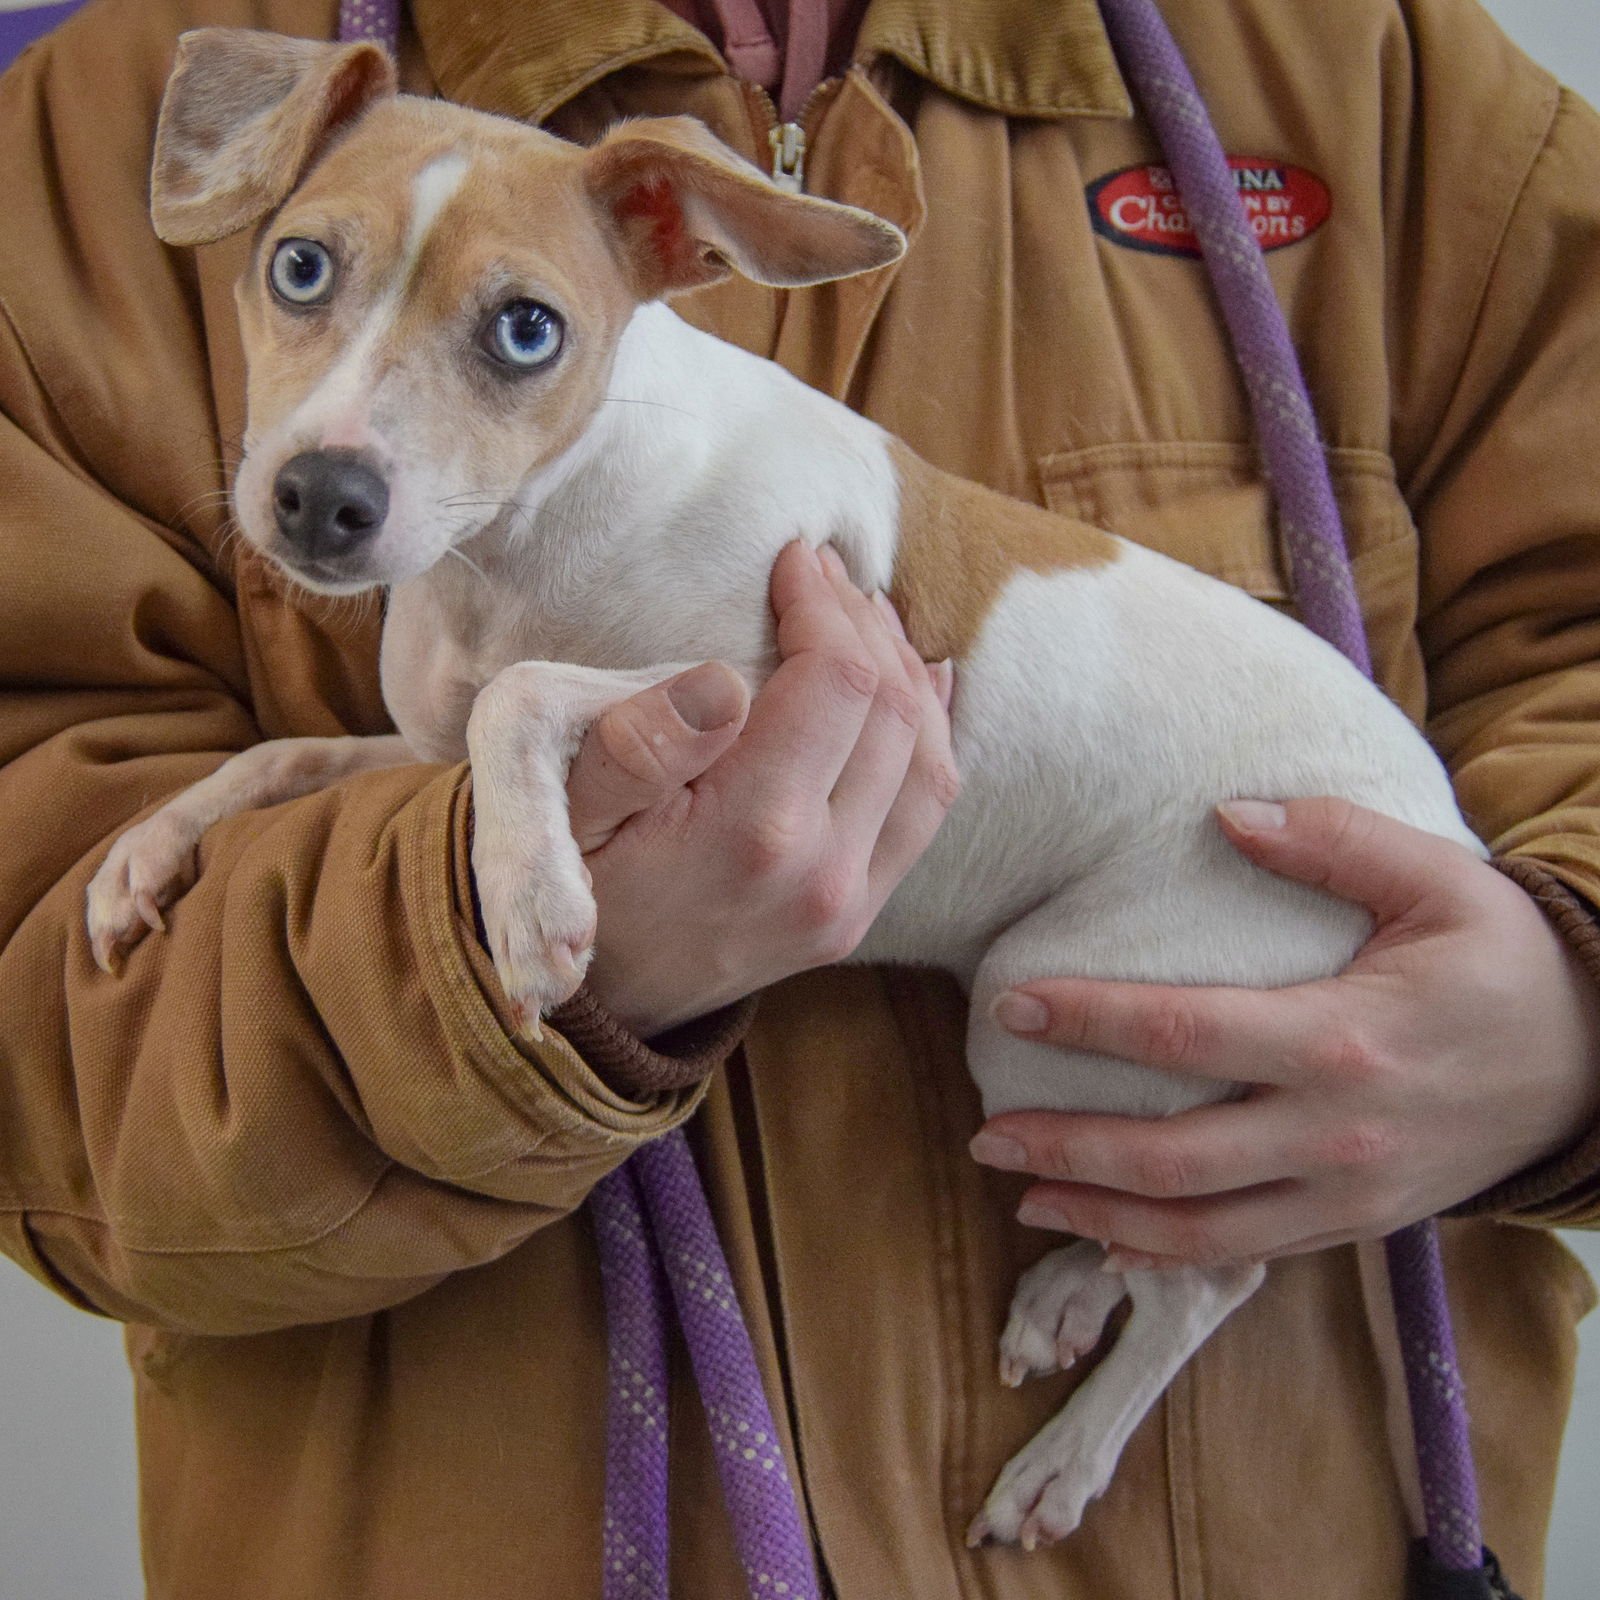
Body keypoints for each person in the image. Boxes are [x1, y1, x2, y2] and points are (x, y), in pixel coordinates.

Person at [1, 0, 1598, 1594]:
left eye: (518, 332)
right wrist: (501, 959)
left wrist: (1575, 1008)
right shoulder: (86, 127)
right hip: (498, 1534)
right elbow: (49, 1067)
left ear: (675, 248)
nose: (333, 439)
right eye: (302, 273)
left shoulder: (1366, 66)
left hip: (1287, 1510)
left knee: (1033, 1024)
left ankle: (1160, 1306)